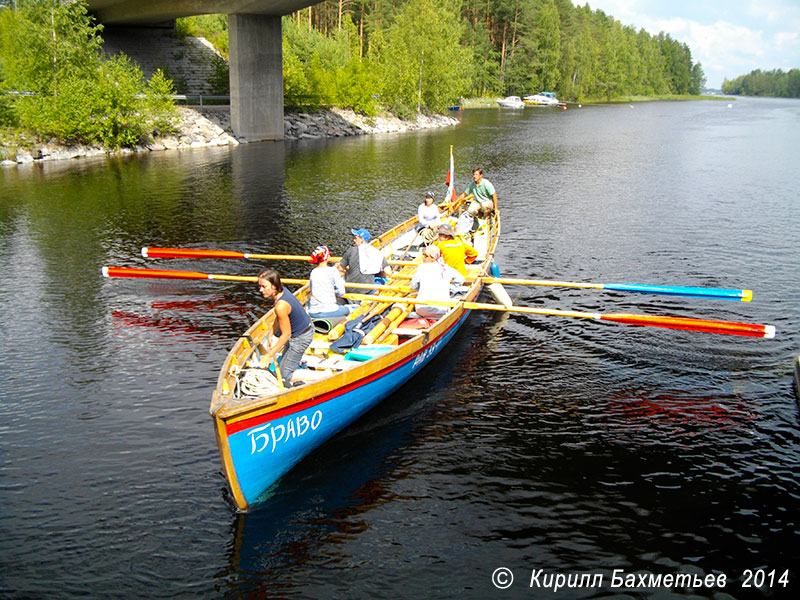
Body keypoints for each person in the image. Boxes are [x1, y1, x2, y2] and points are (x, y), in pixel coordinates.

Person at [257, 268, 313, 387]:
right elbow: (279, 318)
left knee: (284, 376)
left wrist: (268, 355)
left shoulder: (281, 305)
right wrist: (270, 333)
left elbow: (286, 334)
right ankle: (295, 362)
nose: (260, 290)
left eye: (264, 286)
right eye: (260, 286)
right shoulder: (282, 293)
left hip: (300, 337)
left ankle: (325, 375)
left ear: (274, 286)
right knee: (282, 368)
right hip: (302, 329)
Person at [409, 245, 464, 318]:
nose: (423, 257)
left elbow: (414, 286)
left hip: (422, 309)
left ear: (433, 258)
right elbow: (461, 279)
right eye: (423, 255)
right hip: (442, 310)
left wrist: (422, 288)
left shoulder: (421, 267)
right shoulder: (445, 268)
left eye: (426, 256)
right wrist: (451, 289)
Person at [307, 245, 352, 318]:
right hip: (329, 310)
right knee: (352, 308)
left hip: (313, 311)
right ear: (327, 257)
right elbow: (341, 292)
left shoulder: (313, 272)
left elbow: (312, 290)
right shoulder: (333, 271)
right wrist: (335, 293)